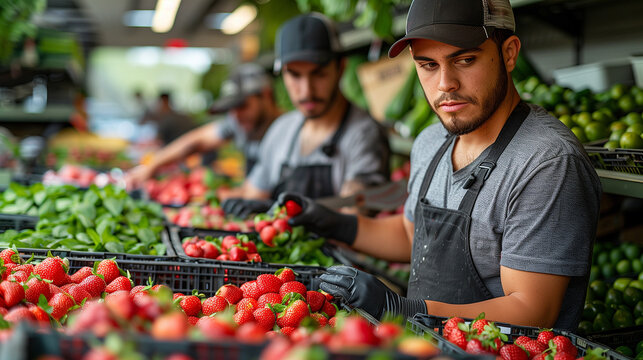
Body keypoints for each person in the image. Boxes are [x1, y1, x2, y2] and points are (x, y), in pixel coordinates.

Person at [276, 0, 601, 331]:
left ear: (509, 53)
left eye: (464, 59)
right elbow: (411, 236)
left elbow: (533, 309)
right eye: (428, 65)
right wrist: (331, 222)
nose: (445, 84)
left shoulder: (545, 162)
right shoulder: (431, 141)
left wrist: (406, 309)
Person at [221, 14, 390, 219]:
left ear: (341, 68)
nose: (307, 91)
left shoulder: (364, 135)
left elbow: (354, 216)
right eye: (295, 75)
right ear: (282, 74)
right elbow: (253, 194)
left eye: (319, 74)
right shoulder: (281, 130)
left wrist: (281, 213)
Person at [127, 63, 281, 187]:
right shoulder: (241, 122)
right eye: (231, 108)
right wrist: (151, 166)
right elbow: (195, 142)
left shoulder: (288, 131)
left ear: (266, 95)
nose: (236, 115)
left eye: (242, 105)